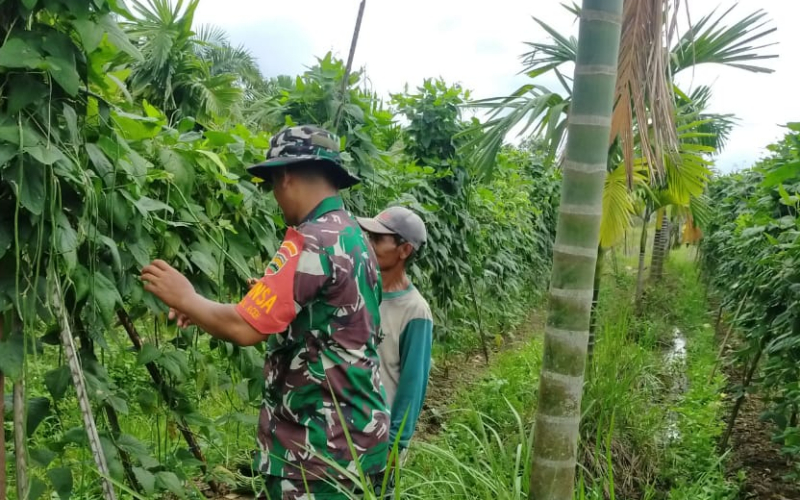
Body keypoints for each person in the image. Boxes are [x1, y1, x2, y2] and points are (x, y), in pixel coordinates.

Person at [140, 125, 389, 499]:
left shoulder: (310, 240)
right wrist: (209, 309)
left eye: (272, 184)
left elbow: (244, 328)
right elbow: (318, 316)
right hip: (360, 438)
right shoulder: (354, 237)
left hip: (318, 453)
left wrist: (186, 296)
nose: (275, 196)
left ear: (285, 175)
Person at [356, 207, 433, 486]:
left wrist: (393, 446)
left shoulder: (415, 312)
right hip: (342, 434)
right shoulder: (358, 291)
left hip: (379, 442)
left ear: (404, 250)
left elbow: (412, 388)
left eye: (378, 239)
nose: (369, 243)